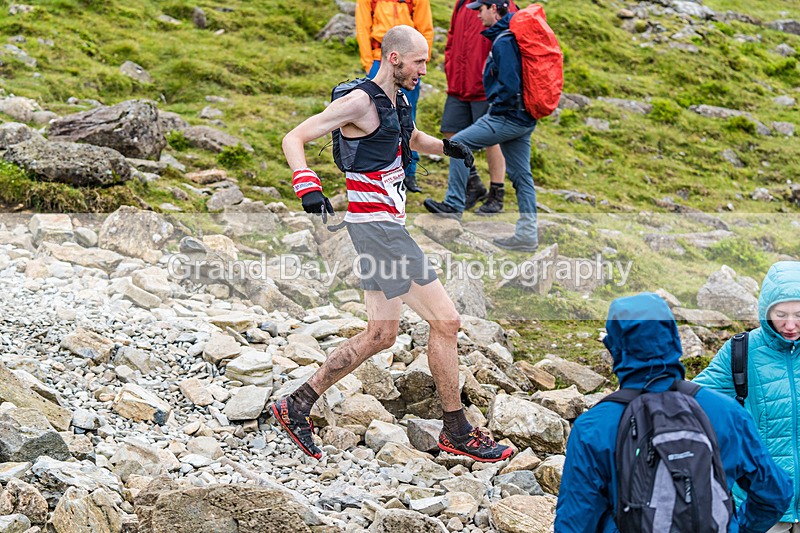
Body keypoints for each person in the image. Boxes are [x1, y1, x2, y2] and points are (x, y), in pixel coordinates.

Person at [273, 25, 512, 464]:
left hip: (379, 229)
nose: (425, 70)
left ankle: (297, 403)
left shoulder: (398, 99)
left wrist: (450, 148)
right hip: (380, 231)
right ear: (395, 58)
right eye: (420, 61)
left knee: (381, 334)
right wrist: (307, 185)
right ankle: (456, 430)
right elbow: (295, 137)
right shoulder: (358, 102)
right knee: (447, 322)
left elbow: (412, 138)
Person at [555, 292, 792, 533]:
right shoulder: (725, 411)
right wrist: (740, 528)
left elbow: (574, 523)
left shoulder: (593, 426)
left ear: (614, 349)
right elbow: (775, 493)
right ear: (675, 340)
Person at [423, 0, 538, 252]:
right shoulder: (510, 34)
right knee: (522, 175)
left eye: (481, 10)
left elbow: (509, 83)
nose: (477, 15)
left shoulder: (504, 40)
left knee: (457, 144)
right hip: (525, 117)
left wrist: (496, 109)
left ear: (494, 9)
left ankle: (454, 205)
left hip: (506, 116)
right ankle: (528, 235)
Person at [694, 261, 800, 533]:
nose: (790, 324)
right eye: (781, 314)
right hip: (761, 504)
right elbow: (692, 401)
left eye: (799, 314)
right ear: (766, 311)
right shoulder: (740, 351)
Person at [441, 0, 515, 214]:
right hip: (459, 84)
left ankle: (497, 193)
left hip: (486, 87)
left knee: (493, 139)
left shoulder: (502, 4)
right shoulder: (462, 4)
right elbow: (452, 37)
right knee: (450, 131)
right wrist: (450, 65)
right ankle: (473, 183)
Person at [356, 0, 434, 194]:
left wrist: (419, 63)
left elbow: (426, 29)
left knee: (408, 117)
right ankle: (379, 169)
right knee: (375, 118)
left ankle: (409, 171)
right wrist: (368, 63)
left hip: (407, 64)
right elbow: (363, 28)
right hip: (379, 61)